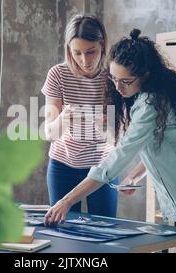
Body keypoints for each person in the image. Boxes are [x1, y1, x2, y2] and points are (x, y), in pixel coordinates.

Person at [44, 28, 176, 253]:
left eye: (125, 81)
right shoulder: (168, 85)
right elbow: (163, 142)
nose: (117, 87)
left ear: (145, 74)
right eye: (114, 79)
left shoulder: (151, 104)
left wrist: (65, 202)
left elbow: (116, 159)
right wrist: (134, 175)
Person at [41, 14, 118, 217]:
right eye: (77, 53)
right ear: (68, 50)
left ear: (102, 45)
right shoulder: (57, 74)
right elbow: (49, 133)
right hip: (63, 165)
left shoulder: (113, 75)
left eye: (91, 52)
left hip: (103, 165)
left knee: (105, 231)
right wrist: (63, 119)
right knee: (64, 232)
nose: (85, 60)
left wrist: (109, 128)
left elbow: (123, 135)